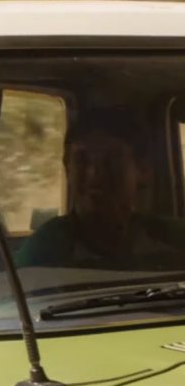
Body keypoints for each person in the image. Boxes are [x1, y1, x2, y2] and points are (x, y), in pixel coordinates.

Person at [14, 113, 185, 270]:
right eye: (82, 160)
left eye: (112, 160)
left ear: (143, 170)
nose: (94, 175)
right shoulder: (45, 252)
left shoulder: (170, 238)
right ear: (67, 168)